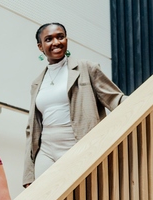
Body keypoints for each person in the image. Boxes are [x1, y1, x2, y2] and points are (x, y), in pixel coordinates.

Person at [23, 22, 126, 187]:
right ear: (40, 47)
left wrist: (145, 98)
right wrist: (28, 174)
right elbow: (32, 130)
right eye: (49, 39)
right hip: (46, 151)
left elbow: (115, 99)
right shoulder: (37, 83)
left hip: (78, 146)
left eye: (60, 37)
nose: (56, 42)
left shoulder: (86, 68)